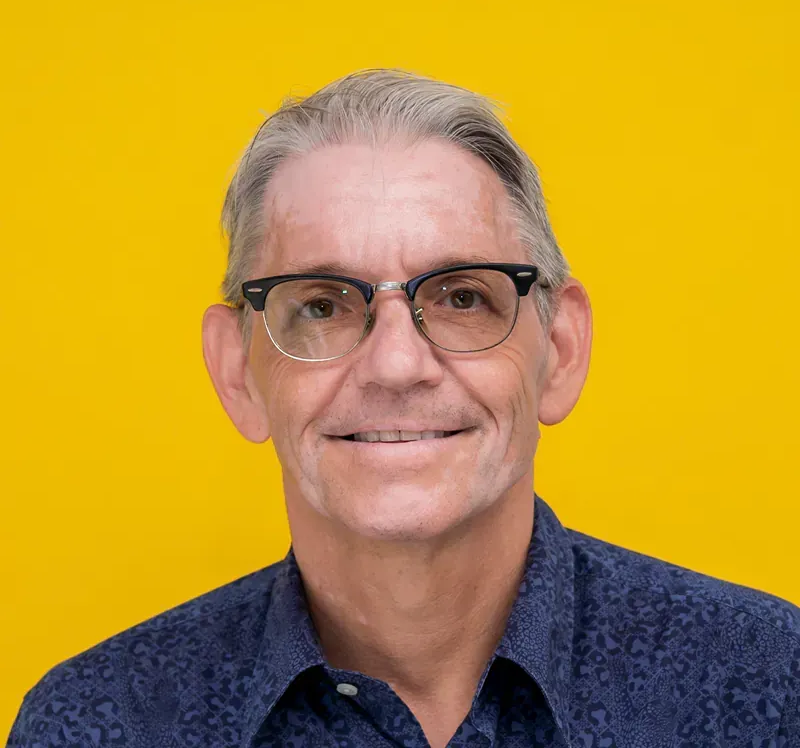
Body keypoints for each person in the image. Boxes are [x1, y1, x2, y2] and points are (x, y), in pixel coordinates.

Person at [8, 69, 799, 748]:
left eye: (462, 297)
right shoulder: (96, 720)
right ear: (237, 372)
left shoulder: (769, 688)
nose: (395, 365)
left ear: (559, 350)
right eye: (320, 305)